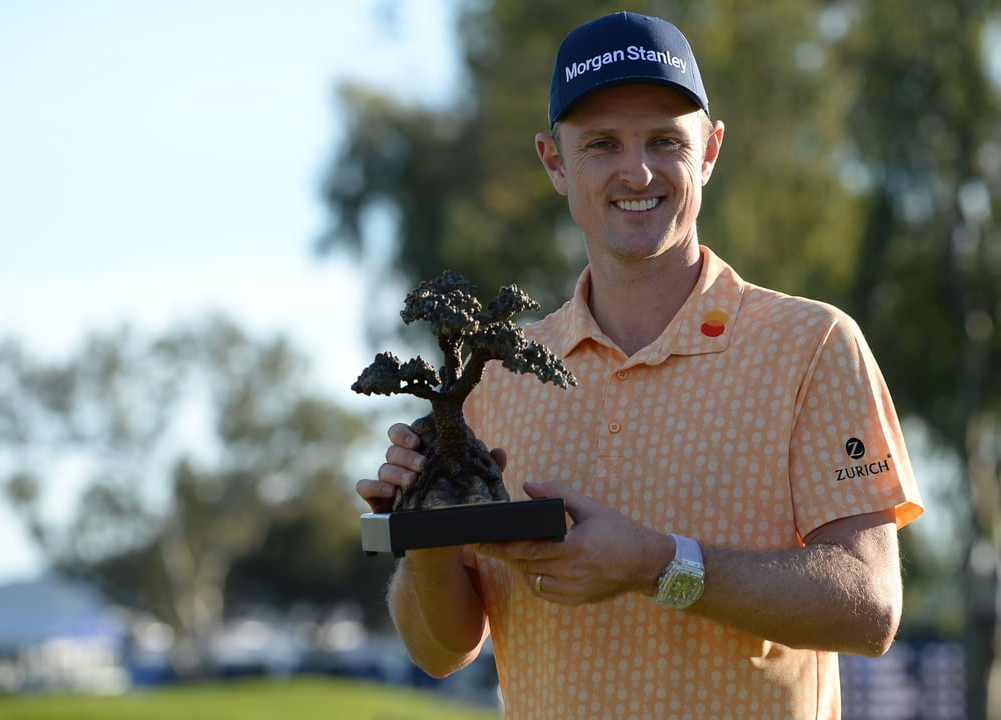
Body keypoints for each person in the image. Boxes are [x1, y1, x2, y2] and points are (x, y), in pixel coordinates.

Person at [356, 11, 924, 719]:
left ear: (709, 152)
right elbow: (441, 650)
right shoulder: (495, 376)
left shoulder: (811, 345)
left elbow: (870, 607)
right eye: (602, 144)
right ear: (554, 162)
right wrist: (428, 534)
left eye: (665, 140)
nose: (638, 172)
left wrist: (659, 565)